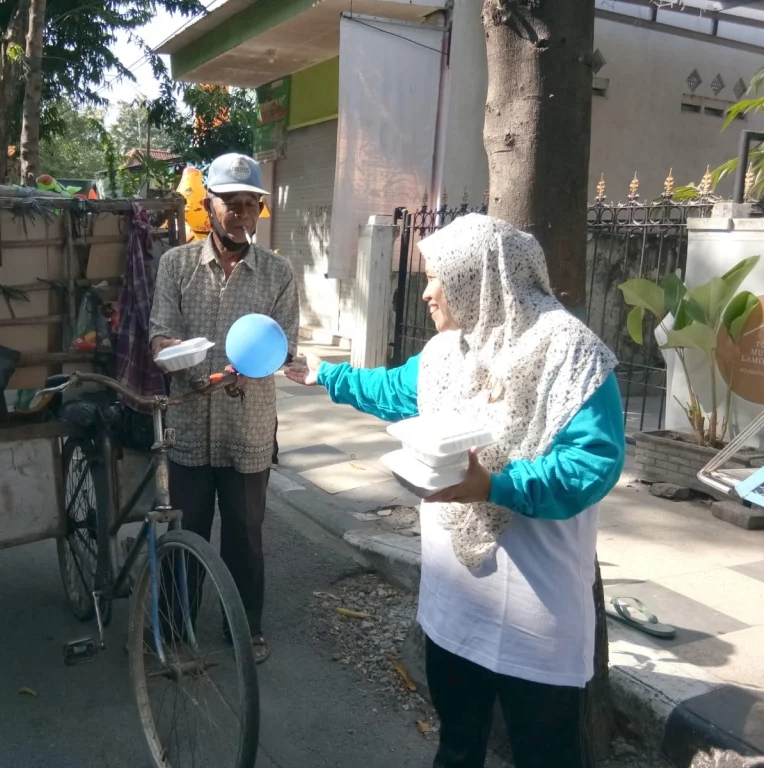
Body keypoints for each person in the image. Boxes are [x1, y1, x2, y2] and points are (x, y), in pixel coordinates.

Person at [285, 214, 625, 768]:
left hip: (536, 614)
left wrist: (495, 485)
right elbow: (394, 390)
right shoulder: (451, 349)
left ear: (479, 277)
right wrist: (323, 373)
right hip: (457, 605)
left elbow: (594, 463)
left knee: (547, 754)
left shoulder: (568, 351)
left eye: (437, 275)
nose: (426, 291)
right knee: (458, 744)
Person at [150, 153, 299, 664]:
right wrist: (189, 364)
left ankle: (245, 629)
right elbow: (159, 334)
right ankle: (174, 628)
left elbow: (286, 342)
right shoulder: (176, 265)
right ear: (208, 206)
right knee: (187, 531)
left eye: (249, 204)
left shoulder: (277, 273)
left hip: (248, 427)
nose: (240, 214)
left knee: (245, 535)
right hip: (189, 424)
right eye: (230, 204)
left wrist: (261, 363)